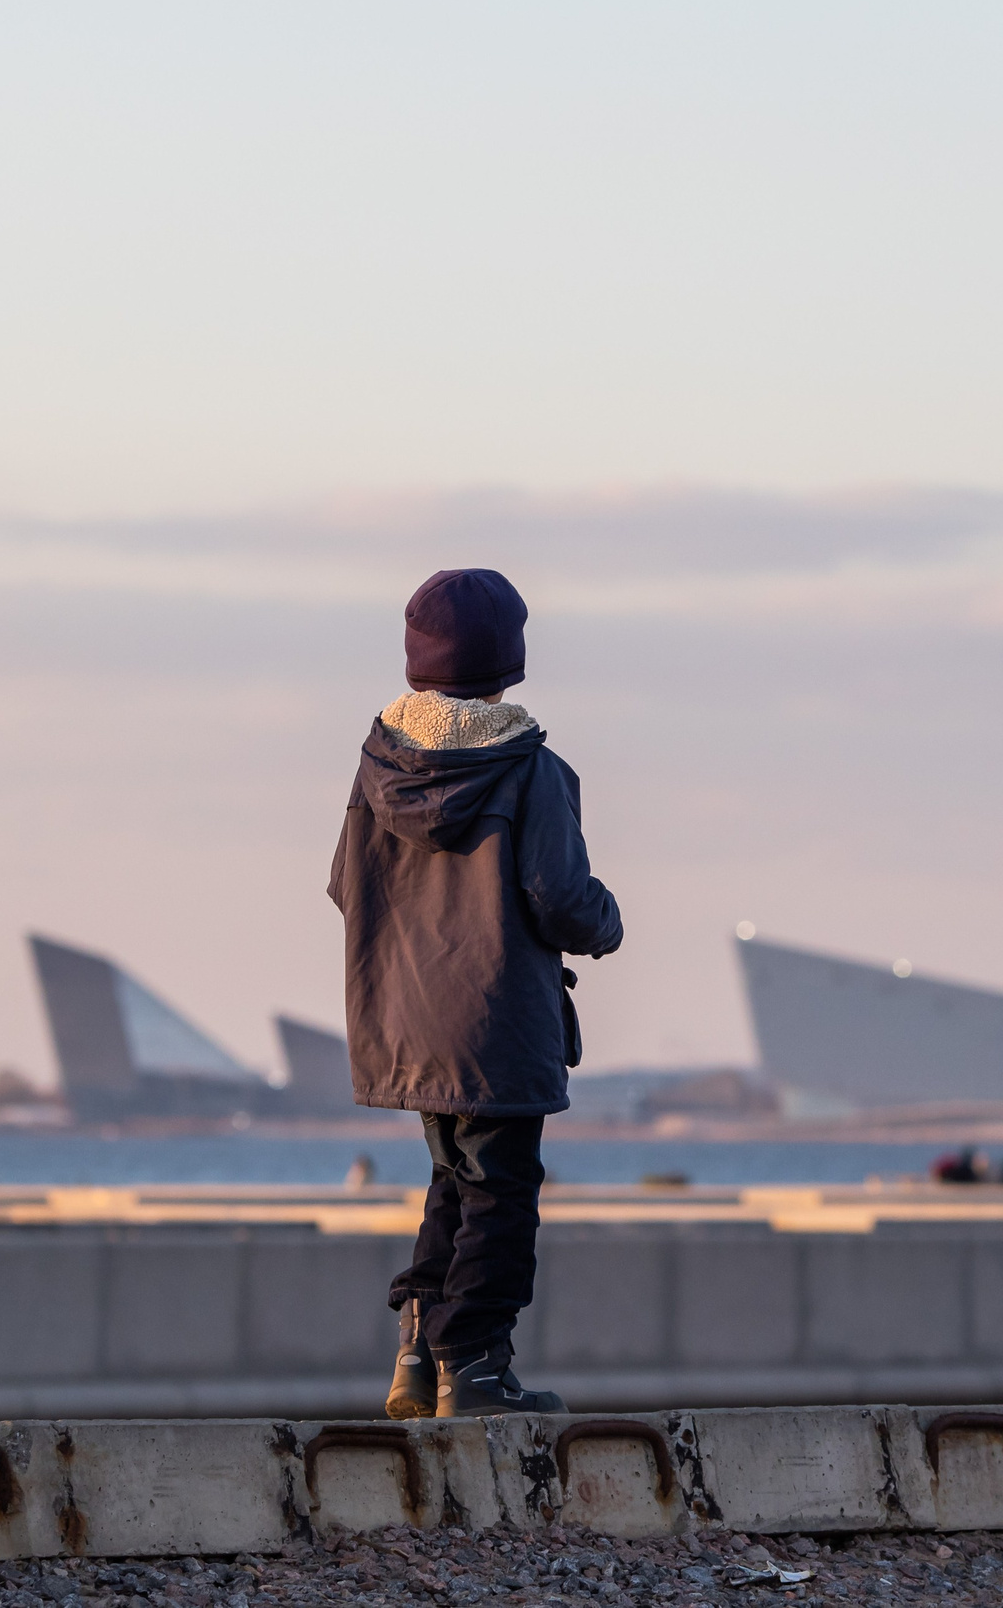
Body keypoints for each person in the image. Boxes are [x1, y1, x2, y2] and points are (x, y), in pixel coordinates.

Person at [329, 569, 624, 1418]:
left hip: (406, 1021)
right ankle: (478, 1368)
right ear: (510, 661)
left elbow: (347, 885)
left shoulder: (377, 769)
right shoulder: (531, 768)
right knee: (501, 1192)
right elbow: (563, 899)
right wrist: (608, 923)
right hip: (496, 1022)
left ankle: (417, 1358)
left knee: (453, 1182)